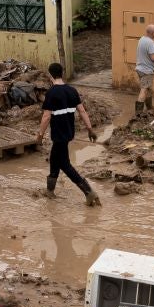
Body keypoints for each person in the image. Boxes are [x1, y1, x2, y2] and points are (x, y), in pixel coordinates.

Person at [34, 62, 100, 206]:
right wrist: (90, 129)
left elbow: (46, 117)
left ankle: (88, 192)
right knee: (54, 159)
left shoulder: (51, 93)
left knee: (65, 164)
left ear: (50, 75)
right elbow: (82, 111)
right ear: (62, 74)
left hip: (58, 135)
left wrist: (39, 135)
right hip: (69, 133)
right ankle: (50, 191)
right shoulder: (72, 90)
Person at [135, 23, 154, 113]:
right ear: (153, 33)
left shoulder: (142, 39)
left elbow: (147, 52)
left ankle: (149, 107)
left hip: (140, 68)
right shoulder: (151, 42)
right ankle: (138, 113)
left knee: (148, 88)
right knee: (144, 90)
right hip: (147, 71)